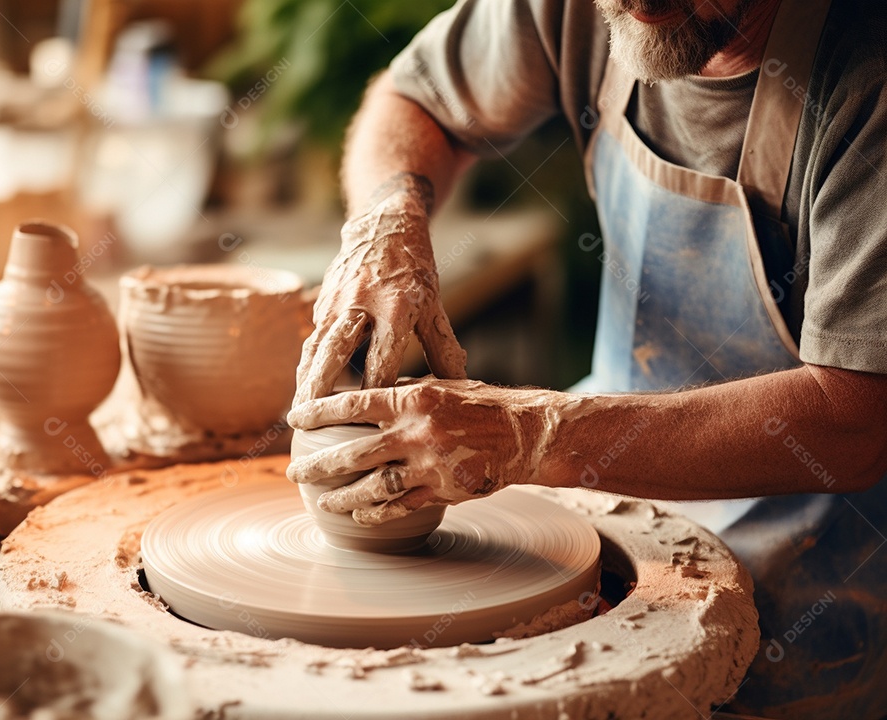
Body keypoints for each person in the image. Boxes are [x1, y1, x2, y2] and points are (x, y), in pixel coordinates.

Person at [285, 0, 887, 716]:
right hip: (607, 510)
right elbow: (417, 99)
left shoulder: (864, 82)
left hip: (812, 585)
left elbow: (854, 421)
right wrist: (387, 216)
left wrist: (532, 433)